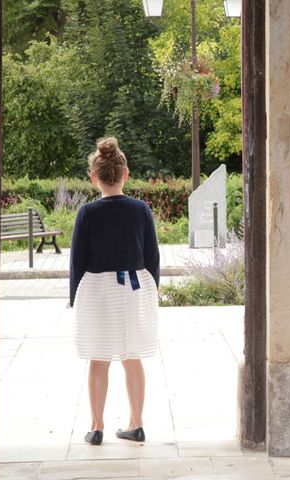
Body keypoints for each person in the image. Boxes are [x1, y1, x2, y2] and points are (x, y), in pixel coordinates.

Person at [69, 137, 160, 446]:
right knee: (132, 356)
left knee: (98, 358)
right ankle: (136, 424)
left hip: (97, 290)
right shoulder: (141, 210)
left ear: (94, 177)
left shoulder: (87, 213)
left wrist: (74, 300)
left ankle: (96, 427)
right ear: (126, 173)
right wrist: (152, 296)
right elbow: (152, 259)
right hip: (133, 289)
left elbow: (77, 261)